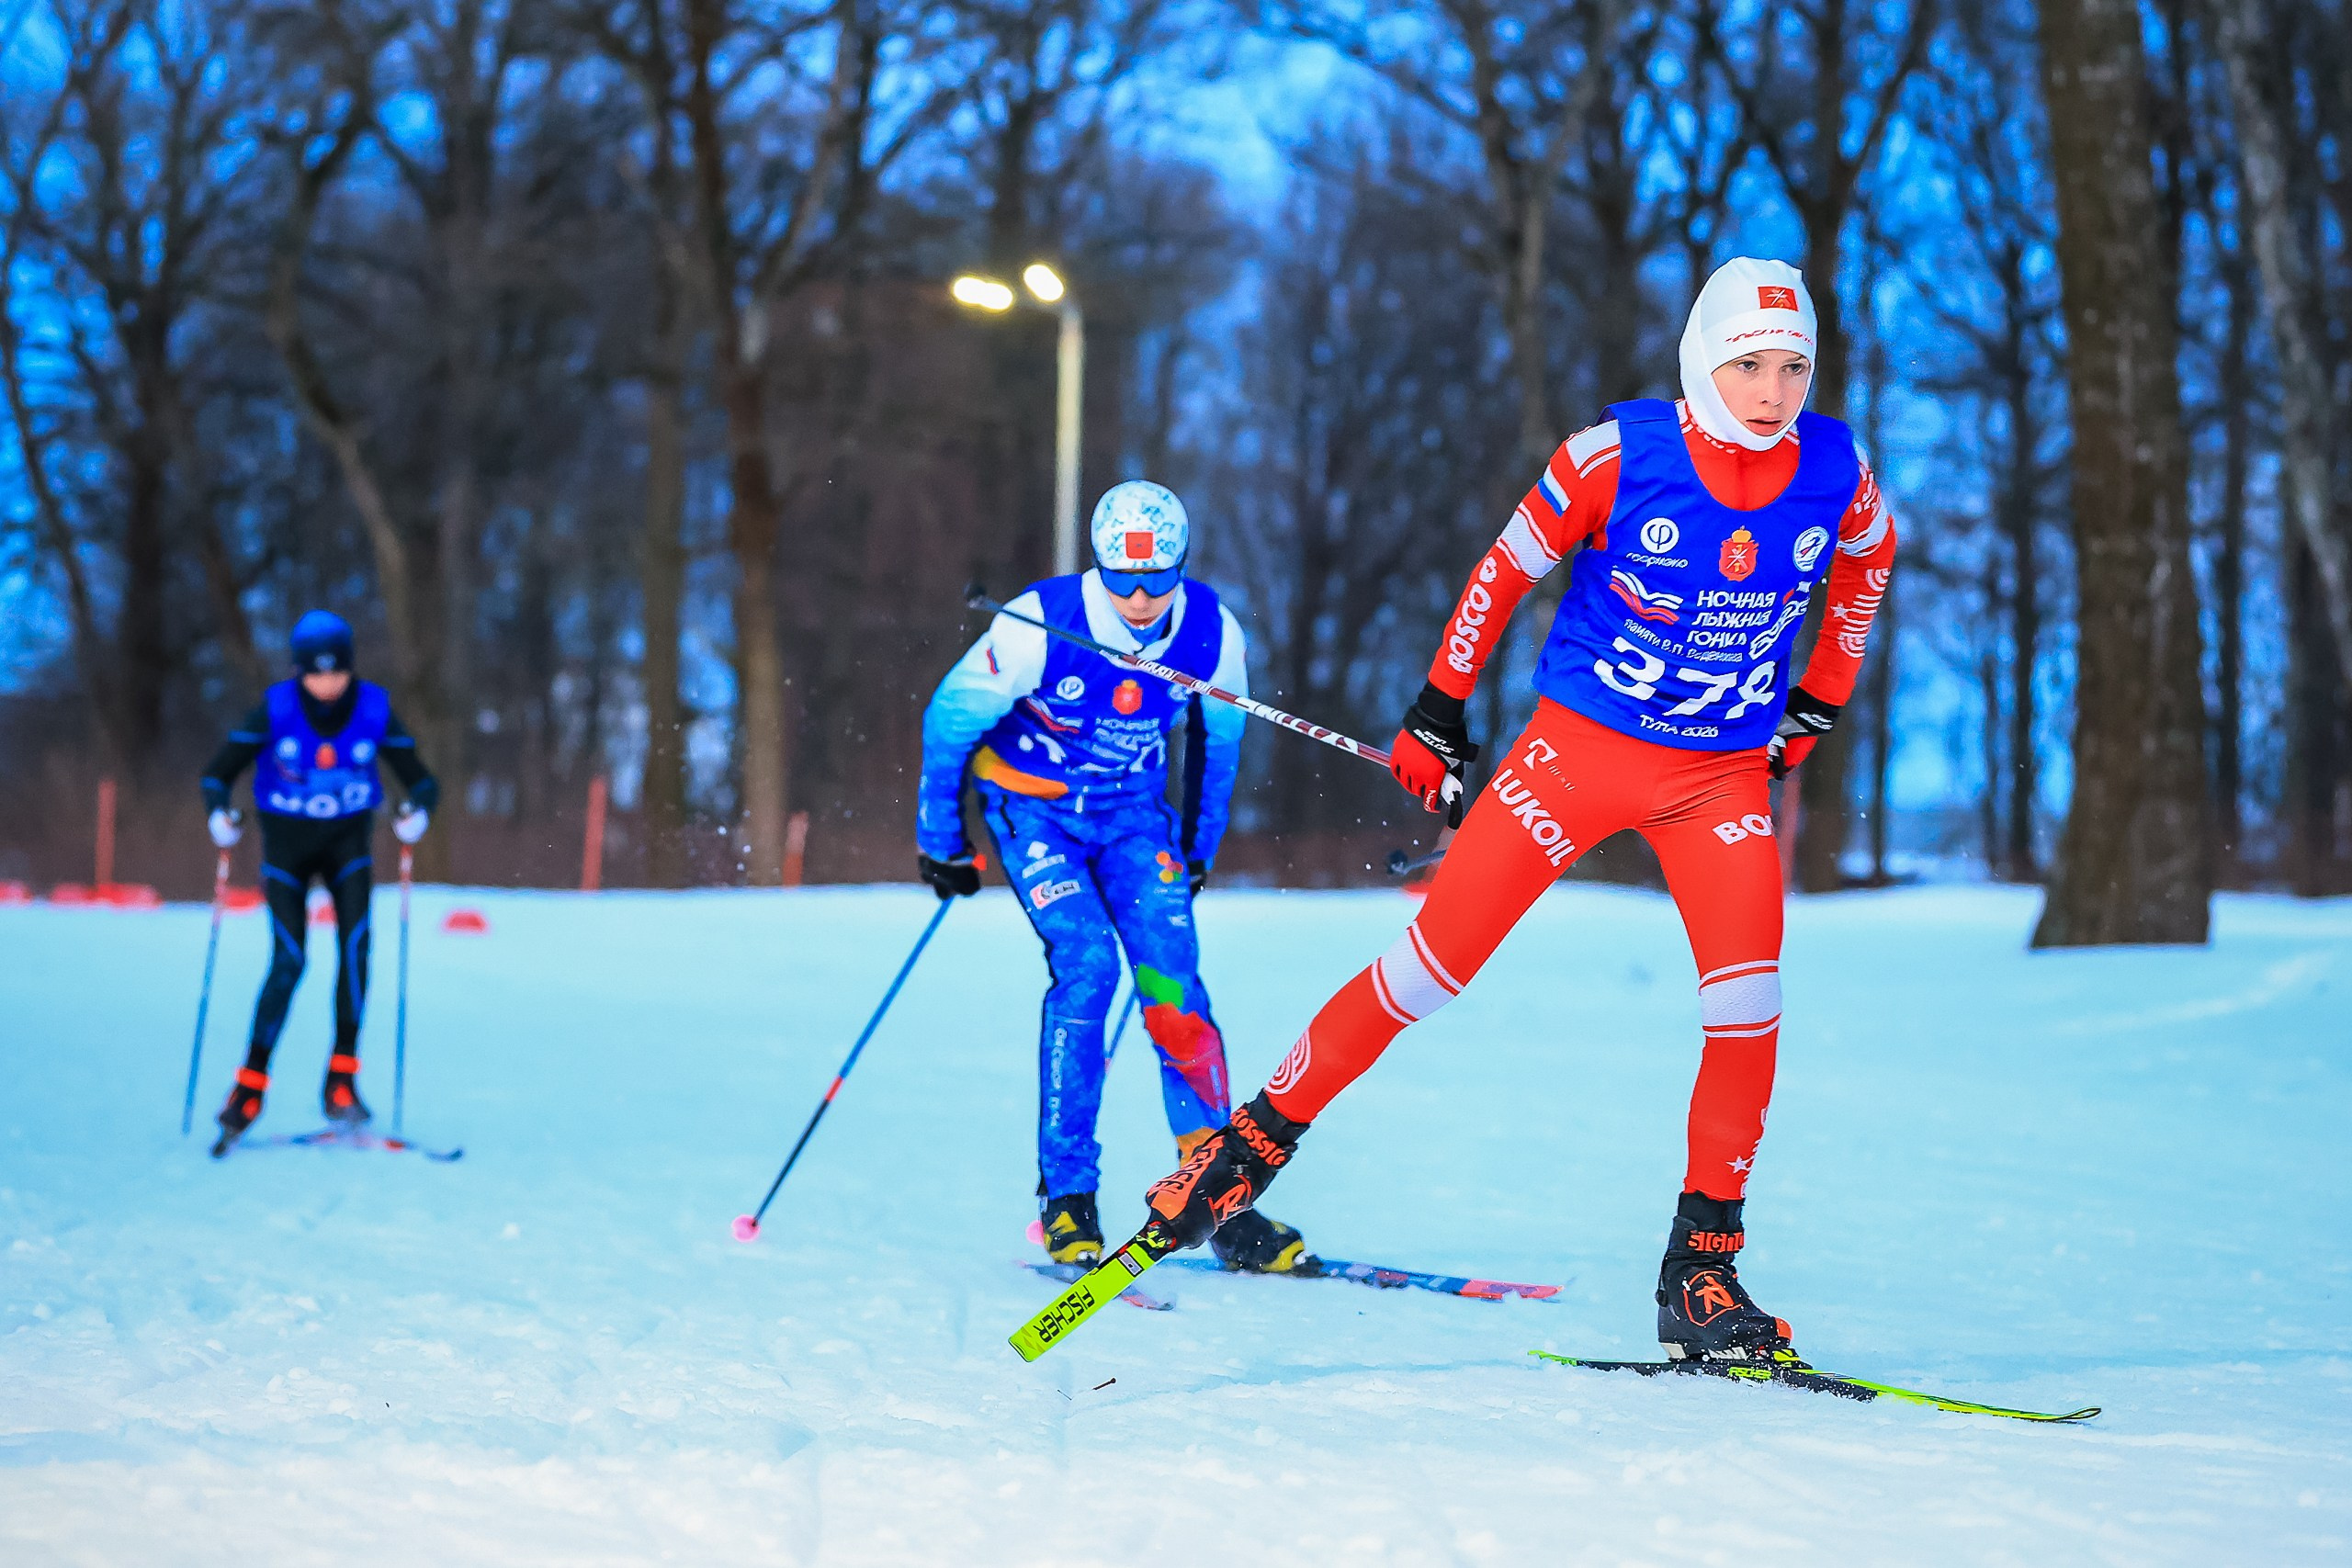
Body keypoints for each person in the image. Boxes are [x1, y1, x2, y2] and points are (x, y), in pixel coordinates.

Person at [1135, 259, 1898, 1359]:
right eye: (1746, 365)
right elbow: (1502, 572)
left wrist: (1820, 701)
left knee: (1749, 1010)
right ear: (1701, 361)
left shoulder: (1835, 467)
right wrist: (1439, 711)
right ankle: (1243, 1146)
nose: (1771, 390)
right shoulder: (1617, 454)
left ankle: (1701, 1271)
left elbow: (1867, 566)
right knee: (1427, 972)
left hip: (1717, 777)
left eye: (1791, 367)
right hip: (1577, 754)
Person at [917, 481, 1309, 1273]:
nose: (1137, 598)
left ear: (1181, 568)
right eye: (1121, 579)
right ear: (1098, 565)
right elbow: (950, 718)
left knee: (1175, 992)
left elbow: (1218, 743)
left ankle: (1220, 1199)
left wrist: (1197, 848)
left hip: (1133, 815)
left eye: (1157, 580)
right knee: (1089, 970)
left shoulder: (1210, 633)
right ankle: (1068, 1197)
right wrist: (942, 839)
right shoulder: (1040, 622)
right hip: (1037, 812)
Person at [199, 611, 438, 1147]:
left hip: (346, 846)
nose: (327, 684)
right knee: (290, 959)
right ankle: (249, 1088)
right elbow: (218, 772)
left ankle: (342, 1082)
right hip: (286, 848)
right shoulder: (276, 708)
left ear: (351, 668)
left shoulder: (373, 708)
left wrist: (417, 811)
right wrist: (219, 814)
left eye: (337, 673)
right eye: (315, 674)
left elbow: (421, 781)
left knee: (356, 951)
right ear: (299, 671)